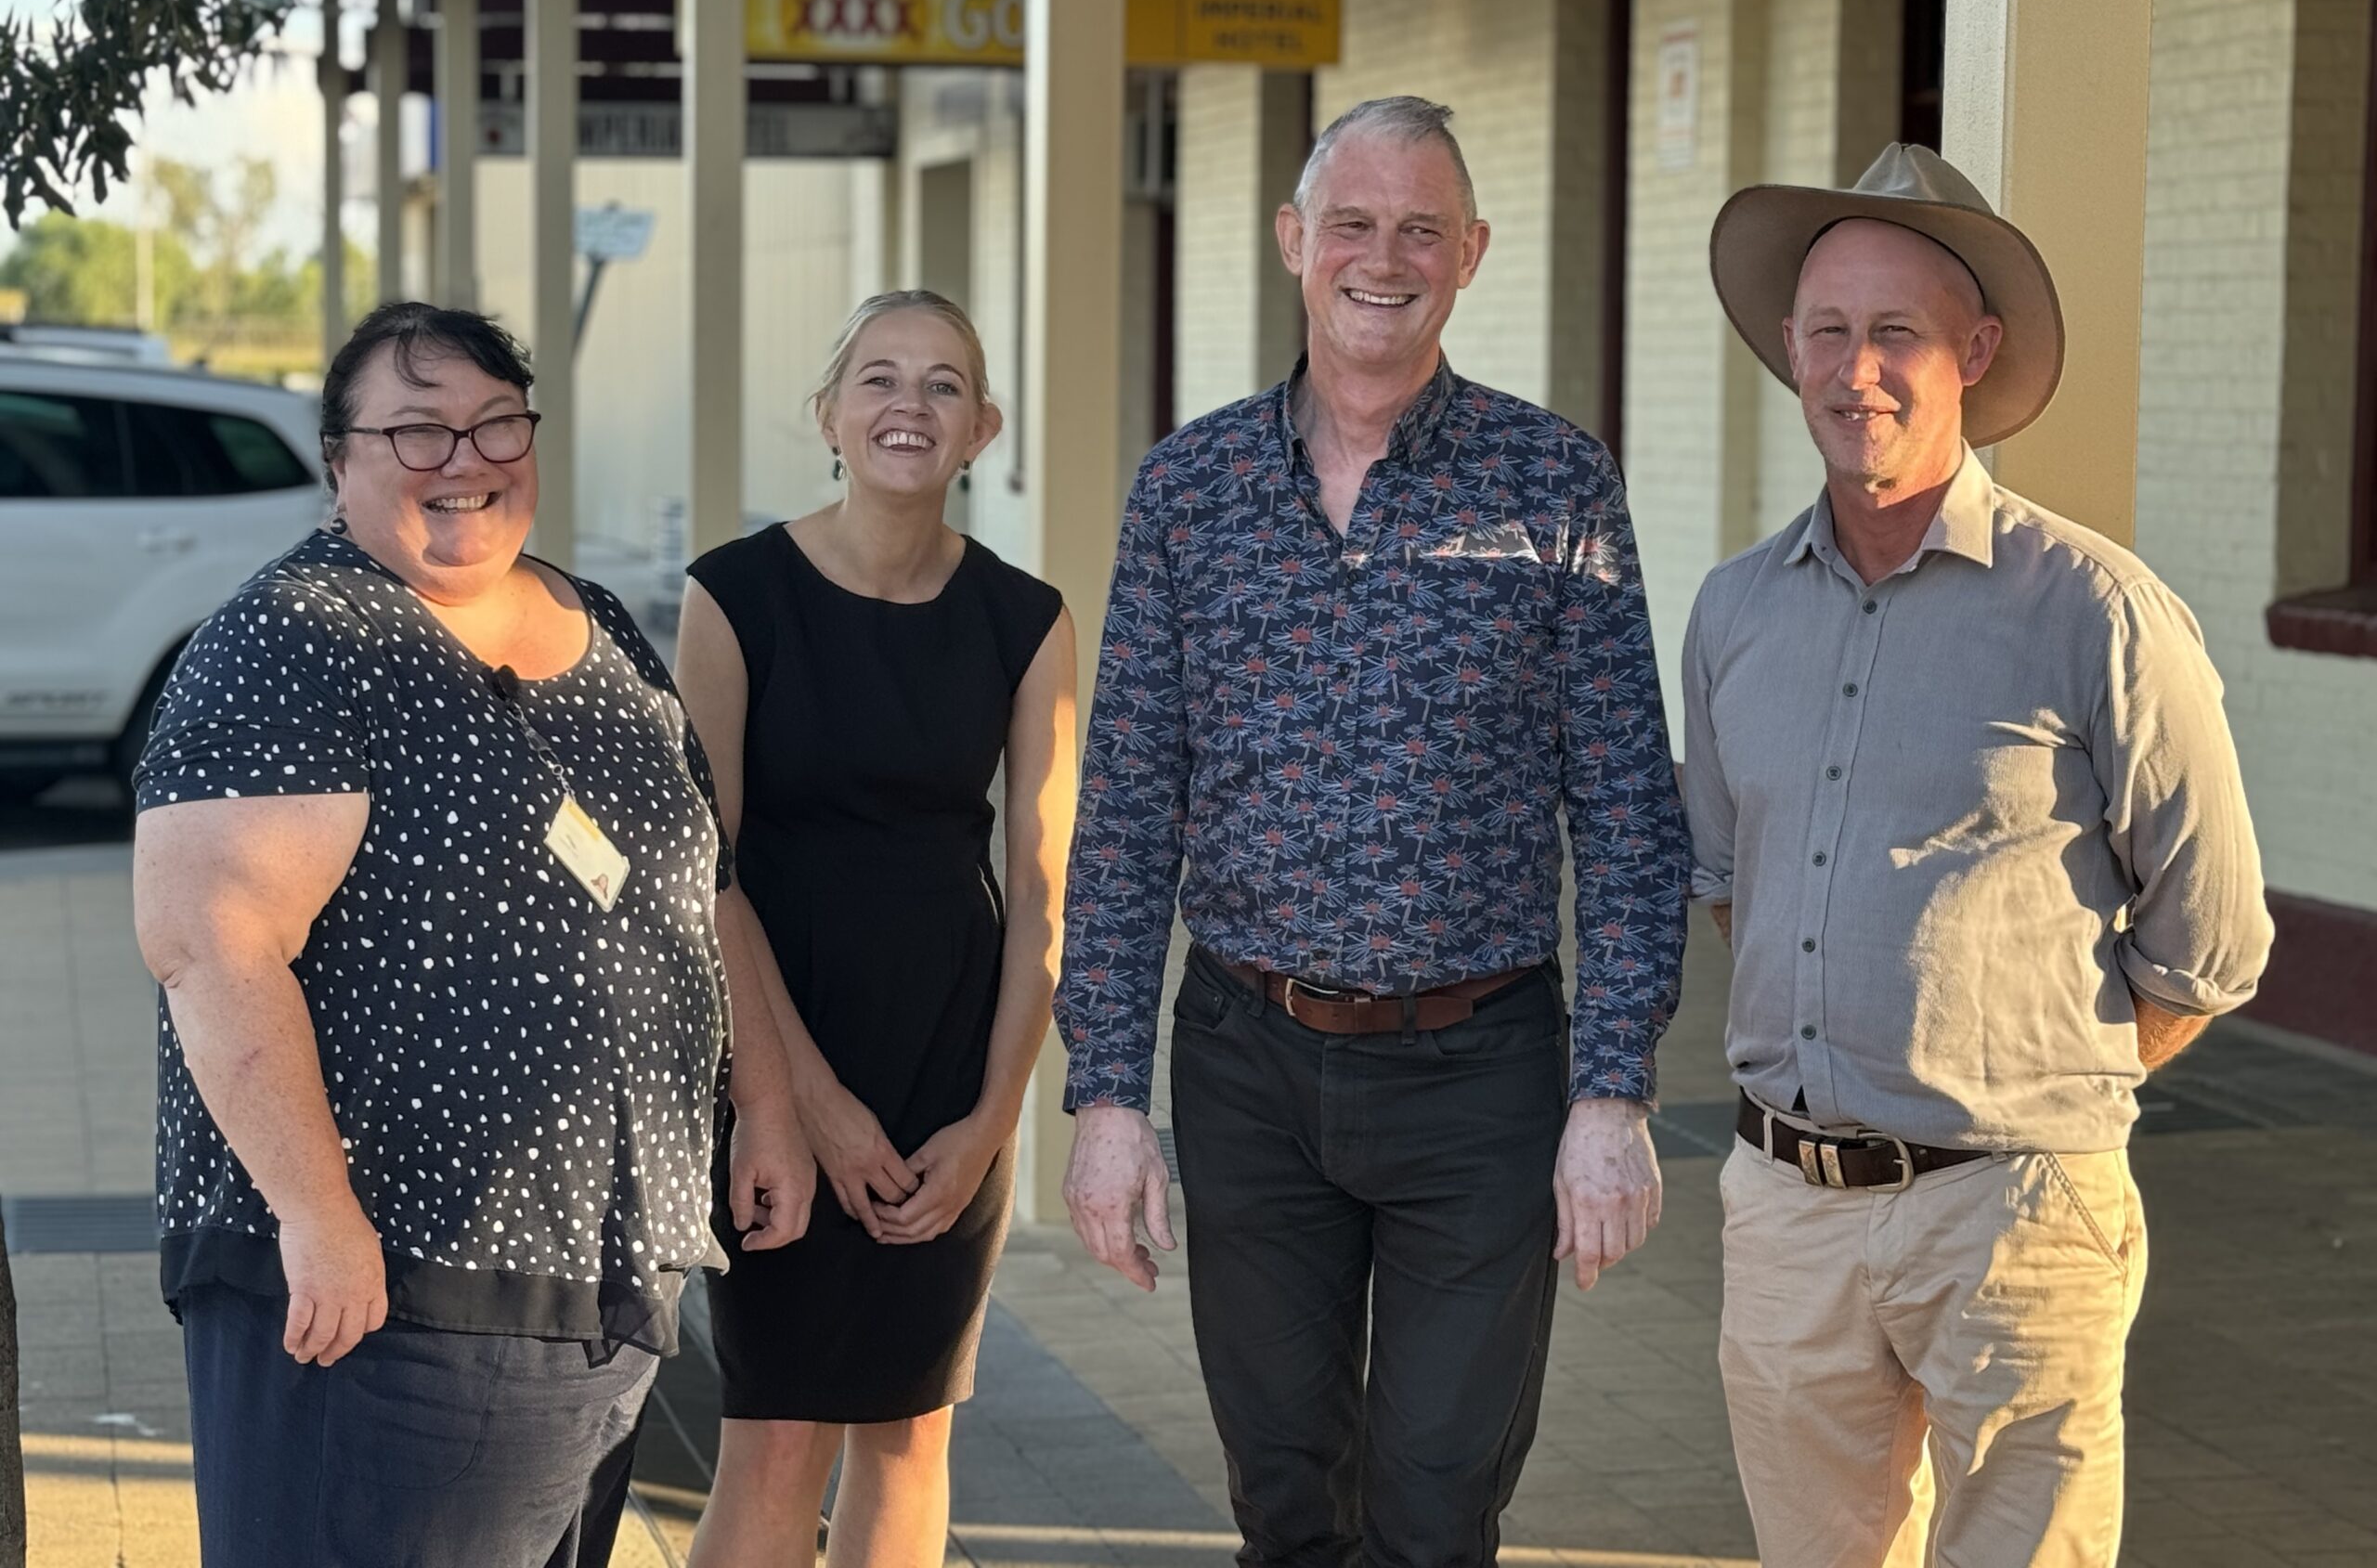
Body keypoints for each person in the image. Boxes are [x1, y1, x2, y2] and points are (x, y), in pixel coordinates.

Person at [1055, 97, 1691, 1567]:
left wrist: (1613, 1095)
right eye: (1353, 224)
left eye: (1421, 230)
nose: (1383, 259)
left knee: (1433, 1505)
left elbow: (1626, 812)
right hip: (1249, 1067)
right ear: (1295, 240)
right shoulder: (1191, 489)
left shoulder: (1555, 483)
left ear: (1471, 252)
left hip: (1480, 1079)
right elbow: (1129, 806)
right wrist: (1106, 1097)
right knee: (1284, 1501)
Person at [130, 302, 812, 1568]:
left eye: (499, 423)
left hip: (600, 1285)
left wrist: (764, 1104)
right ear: (340, 461)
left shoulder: (597, 623)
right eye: (418, 431)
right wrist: (317, 1215)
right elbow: (211, 945)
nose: (466, 459)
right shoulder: (297, 639)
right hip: (388, 1294)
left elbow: (702, 890)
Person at [1687, 144, 2275, 1564]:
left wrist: (2031, 1098)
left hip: (2016, 1215)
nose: (1858, 370)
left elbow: (2212, 941)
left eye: (1898, 331)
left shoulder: (2097, 611)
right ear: (1790, 348)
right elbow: (1729, 887)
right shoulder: (1732, 612)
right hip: (1787, 1218)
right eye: (1829, 330)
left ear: (1976, 352)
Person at [677, 290, 1076, 1568]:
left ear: (982, 430)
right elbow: (706, 871)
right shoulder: (735, 595)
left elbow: (1044, 892)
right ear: (830, 417)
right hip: (772, 1056)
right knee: (776, 1431)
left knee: (910, 1432)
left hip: (953, 1062)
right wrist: (802, 1101)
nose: (912, 404)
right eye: (881, 378)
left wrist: (992, 1124)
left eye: (945, 384)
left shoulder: (1026, 618)